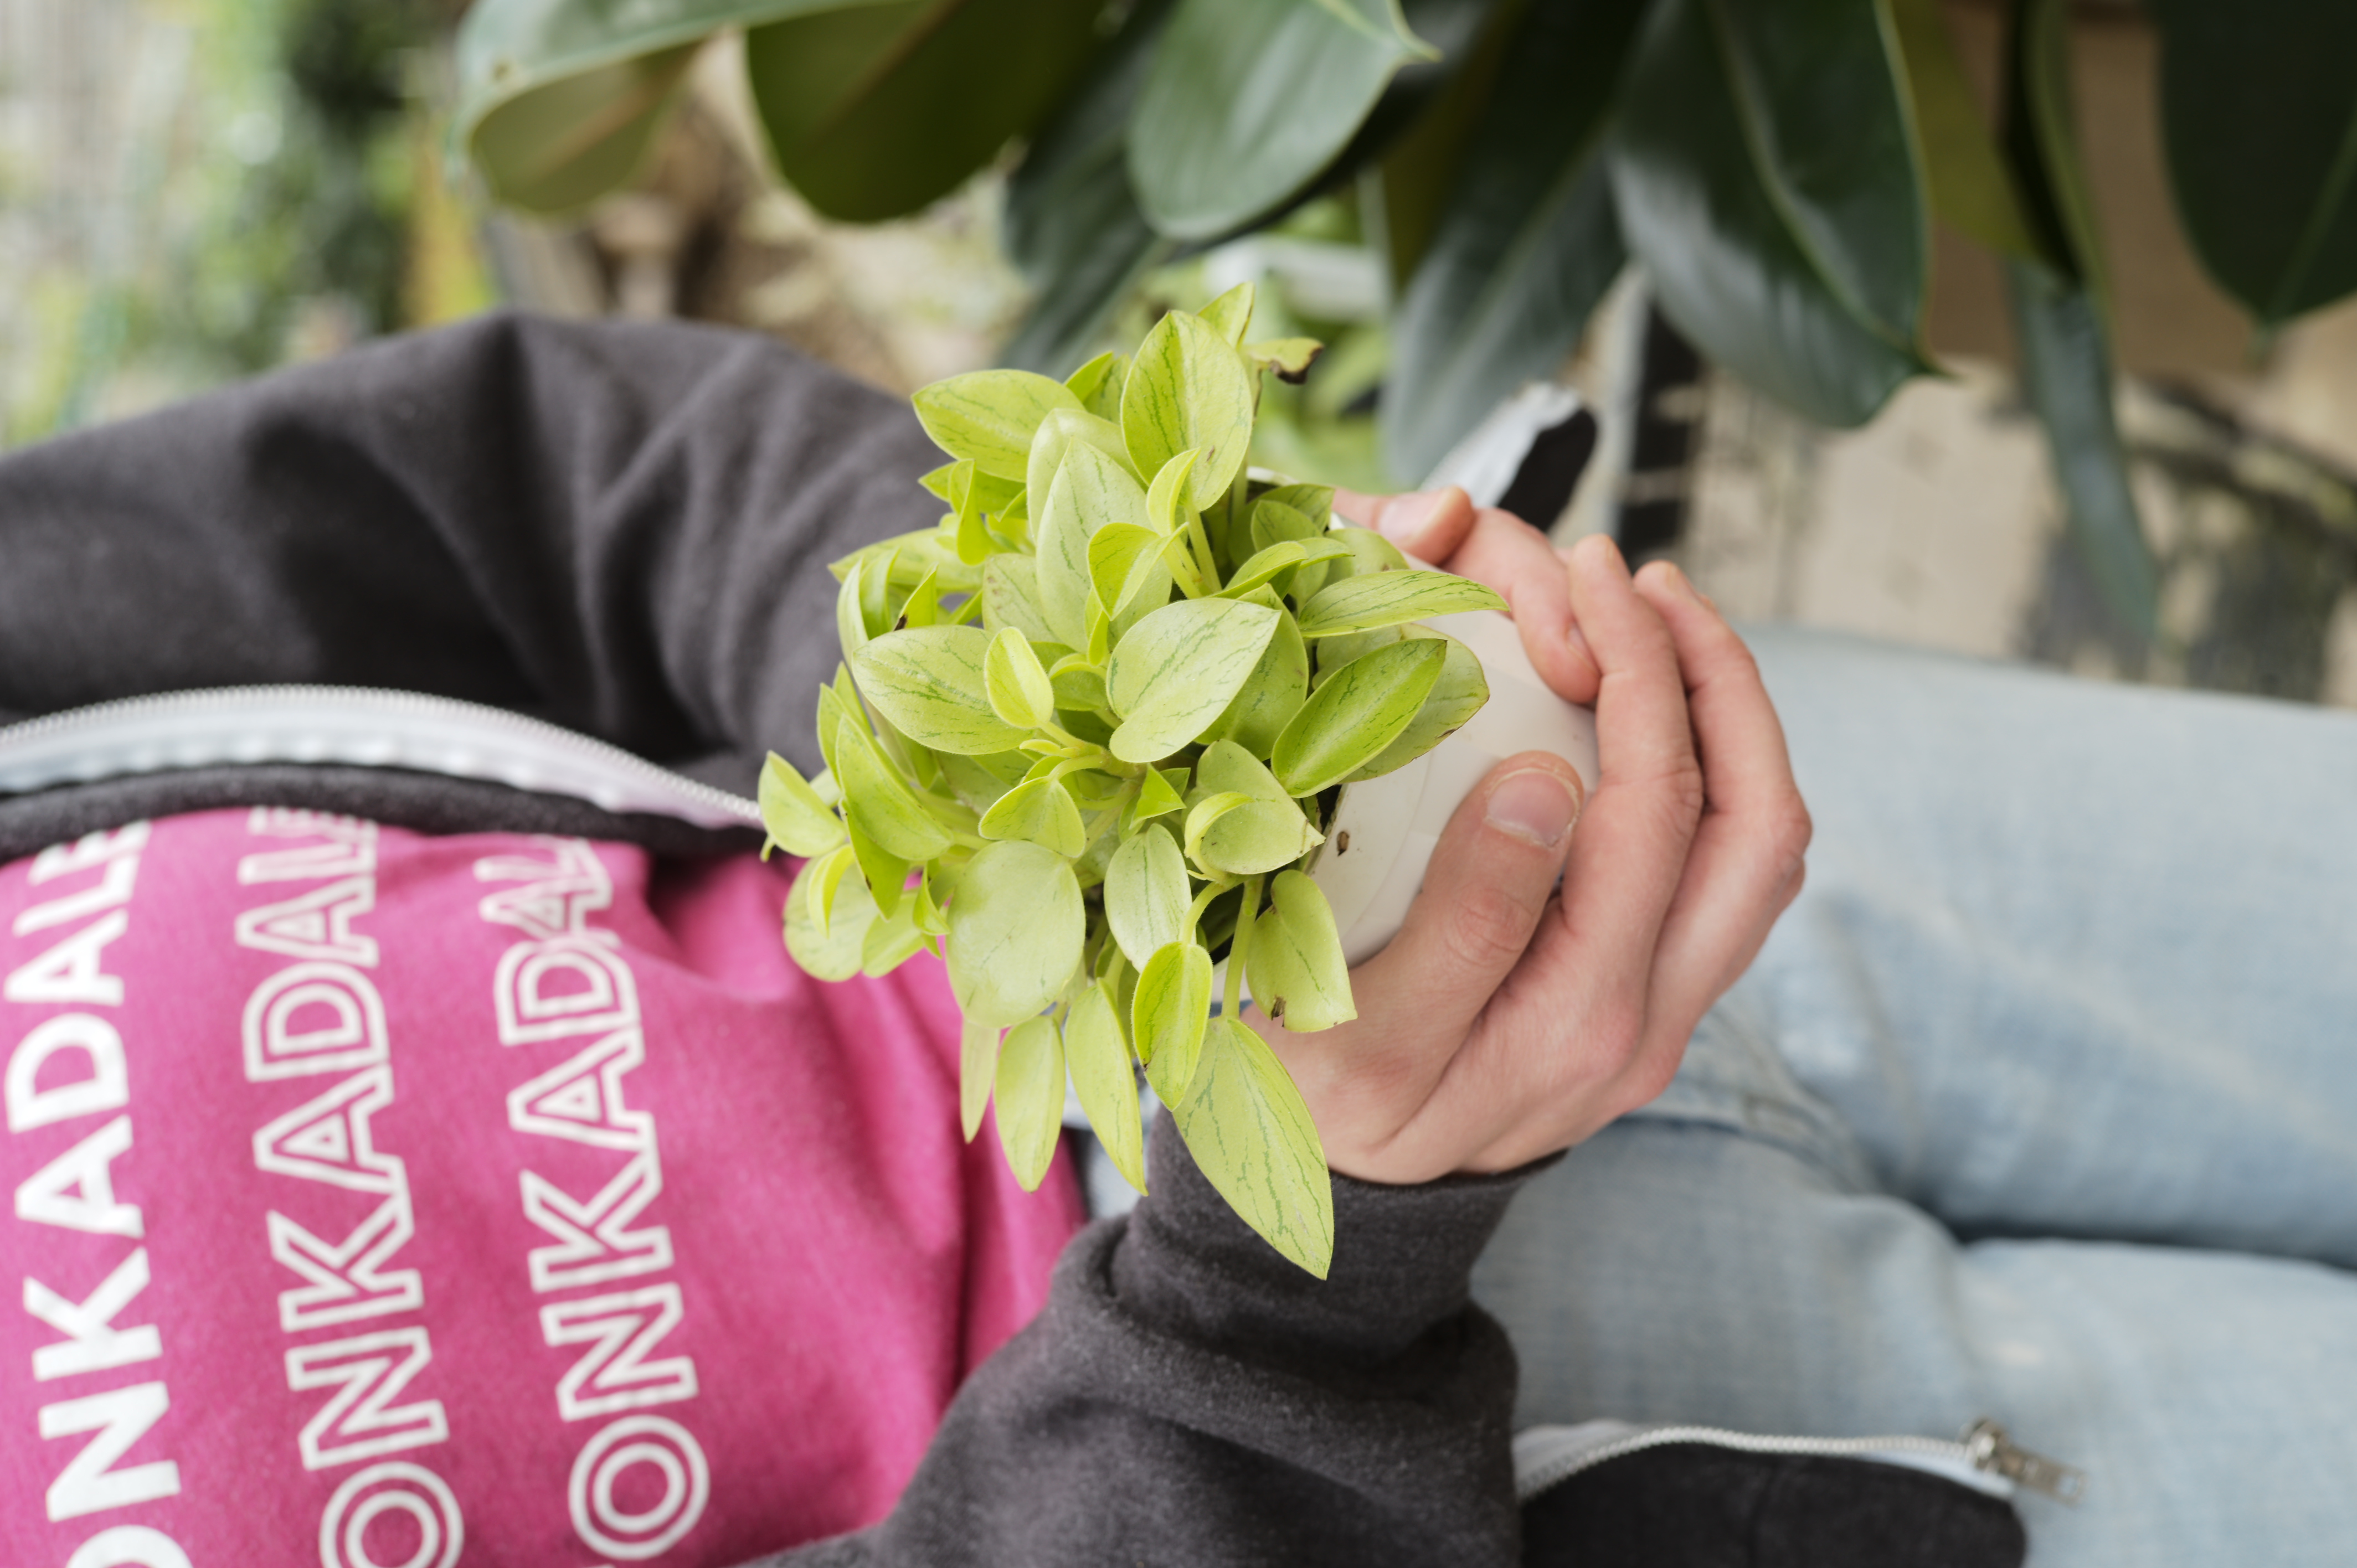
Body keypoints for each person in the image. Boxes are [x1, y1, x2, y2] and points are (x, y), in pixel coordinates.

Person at [1, 312, 2346, 1568]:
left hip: (1499, 805)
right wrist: (1281, 1288)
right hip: (1515, 1441)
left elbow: (519, 481)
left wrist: (1082, 645)